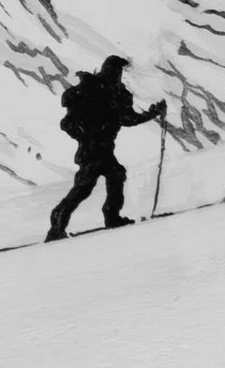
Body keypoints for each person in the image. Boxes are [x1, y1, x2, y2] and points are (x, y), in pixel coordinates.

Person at [47, 56, 167, 240]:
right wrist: (89, 133)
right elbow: (69, 123)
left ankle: (110, 217)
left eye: (118, 71)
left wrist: (153, 113)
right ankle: (59, 227)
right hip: (91, 150)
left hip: (103, 149)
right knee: (84, 188)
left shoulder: (115, 92)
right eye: (115, 70)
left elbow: (127, 118)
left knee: (113, 176)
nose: (117, 74)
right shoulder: (91, 89)